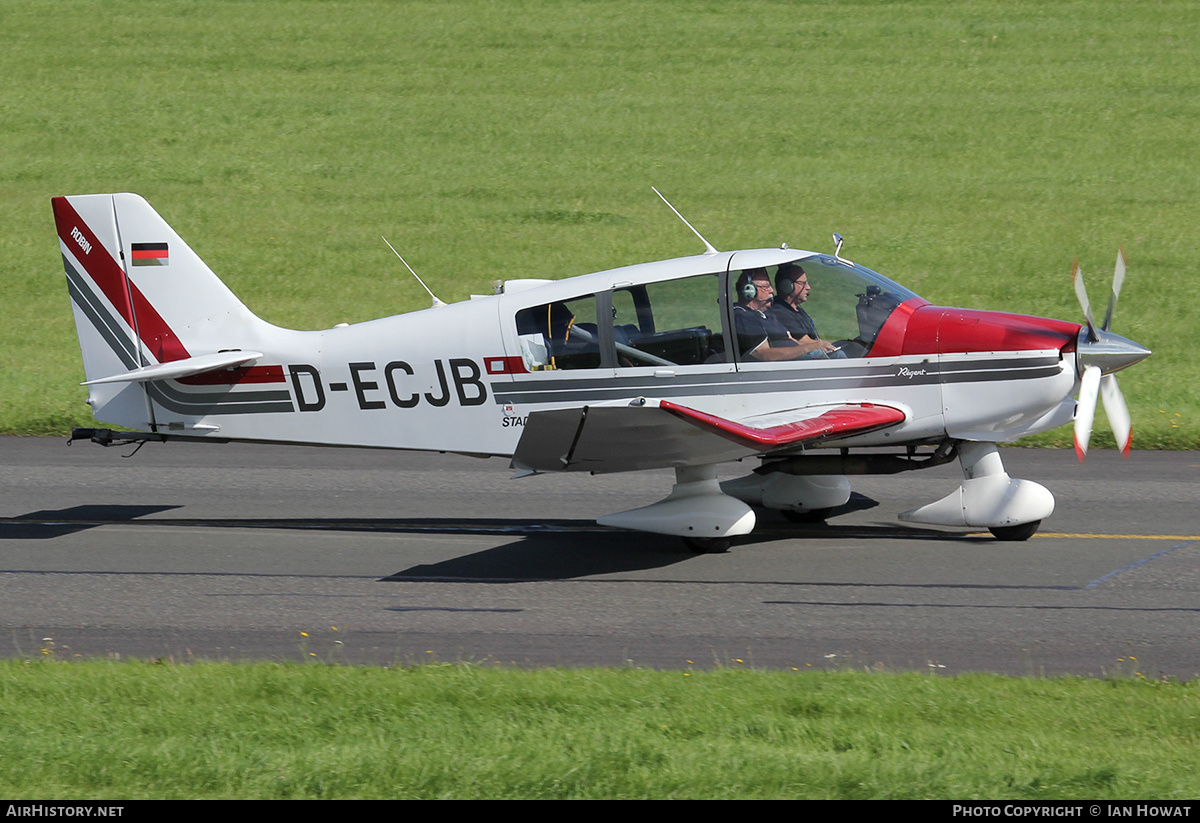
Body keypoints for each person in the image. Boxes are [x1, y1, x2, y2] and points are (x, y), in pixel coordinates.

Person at [768, 262, 843, 359]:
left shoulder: (796, 309)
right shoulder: (780, 311)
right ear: (786, 286)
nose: (808, 287)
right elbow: (806, 342)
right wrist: (831, 347)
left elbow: (815, 340)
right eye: (803, 283)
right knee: (839, 355)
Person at [732, 269, 807, 361]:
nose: (772, 290)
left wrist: (816, 349)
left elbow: (792, 340)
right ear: (749, 291)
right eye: (766, 287)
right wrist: (807, 349)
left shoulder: (767, 314)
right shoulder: (743, 316)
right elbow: (763, 354)